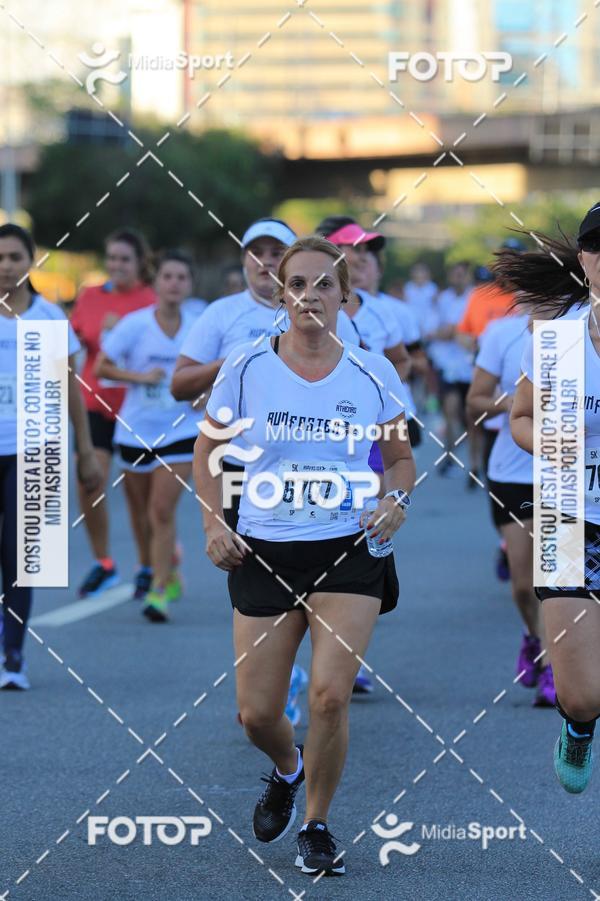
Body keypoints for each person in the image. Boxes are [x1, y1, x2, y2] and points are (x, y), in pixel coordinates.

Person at [194, 235, 415, 875]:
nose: (310, 296)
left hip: (349, 549)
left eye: (324, 284)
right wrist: (214, 523)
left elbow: (399, 458)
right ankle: (287, 770)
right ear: (281, 294)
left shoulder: (374, 371)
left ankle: (317, 824)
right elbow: (209, 454)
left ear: (346, 295)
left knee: (327, 697)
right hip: (264, 549)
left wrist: (396, 498)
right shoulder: (245, 364)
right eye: (298, 284)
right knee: (257, 712)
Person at [499, 206, 600, 793]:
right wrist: (551, 441)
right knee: (582, 691)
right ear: (584, 260)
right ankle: (579, 725)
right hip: (567, 516)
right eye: (599, 246)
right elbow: (520, 419)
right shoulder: (558, 339)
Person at [0, 224, 102, 689]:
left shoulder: (47, 318)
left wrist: (85, 453)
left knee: (20, 556)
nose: (6, 266)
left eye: (15, 257)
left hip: (32, 451)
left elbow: (70, 391)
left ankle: (13, 659)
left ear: (30, 262)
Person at [315, 216, 411, 694]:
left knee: (359, 541)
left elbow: (403, 360)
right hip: (311, 447)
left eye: (364, 249)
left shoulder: (377, 311)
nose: (359, 256)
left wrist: (379, 381)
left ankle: (342, 652)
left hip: (369, 445)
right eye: (348, 248)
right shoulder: (301, 309)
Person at [95, 251, 200, 623]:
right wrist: (142, 378)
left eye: (181, 277)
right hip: (135, 430)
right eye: (168, 276)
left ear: (190, 285)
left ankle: (158, 590)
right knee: (140, 514)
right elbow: (102, 366)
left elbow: (216, 373)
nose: (174, 283)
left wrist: (201, 394)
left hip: (183, 430)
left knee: (161, 509)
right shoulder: (134, 325)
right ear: (156, 283)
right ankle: (164, 560)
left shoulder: (199, 325)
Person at [467, 313, 556, 706]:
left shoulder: (583, 330)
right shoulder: (502, 334)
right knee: (522, 585)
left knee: (551, 577)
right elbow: (476, 401)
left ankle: (553, 666)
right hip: (511, 470)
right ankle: (534, 637)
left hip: (562, 475)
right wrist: (516, 404)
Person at [70, 229, 156, 600]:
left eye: (124, 259)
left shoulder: (152, 300)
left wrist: (118, 334)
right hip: (95, 406)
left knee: (142, 499)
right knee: (89, 481)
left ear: (139, 264)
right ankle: (103, 563)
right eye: (112, 258)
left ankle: (148, 565)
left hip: (139, 411)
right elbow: (73, 345)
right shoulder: (89, 297)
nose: (116, 265)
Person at [425, 262, 477, 483]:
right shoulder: (441, 299)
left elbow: (474, 331)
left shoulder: (475, 297)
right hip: (447, 366)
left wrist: (454, 331)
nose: (457, 279)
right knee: (451, 412)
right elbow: (431, 330)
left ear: (467, 276)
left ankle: (476, 465)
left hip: (471, 368)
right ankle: (449, 457)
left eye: (461, 275)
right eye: (454, 275)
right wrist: (450, 332)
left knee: (472, 419)